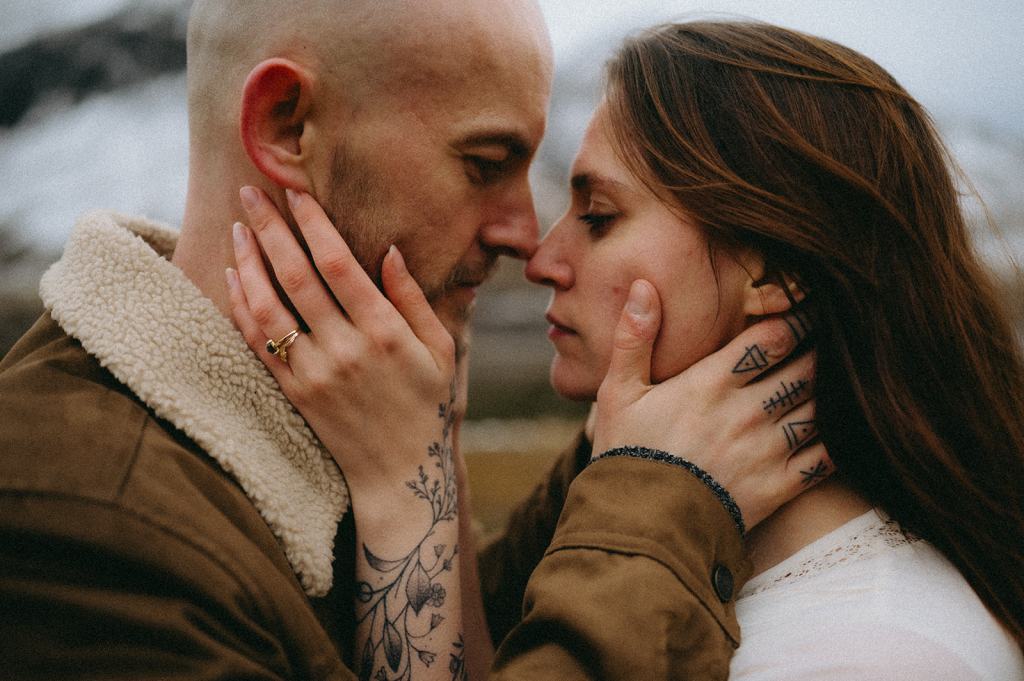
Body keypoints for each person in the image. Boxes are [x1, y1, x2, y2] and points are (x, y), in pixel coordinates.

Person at [0, 3, 819, 680]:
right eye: (485, 162)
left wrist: (446, 465)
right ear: (287, 127)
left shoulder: (344, 407)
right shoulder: (80, 524)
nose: (525, 237)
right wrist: (659, 513)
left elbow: (484, 643)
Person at [231, 19, 1024, 681]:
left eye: (600, 216)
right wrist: (426, 451)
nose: (541, 260)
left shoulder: (866, 654)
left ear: (776, 271)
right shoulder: (704, 545)